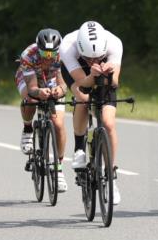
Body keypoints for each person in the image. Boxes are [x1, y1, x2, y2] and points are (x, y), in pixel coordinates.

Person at [60, 21, 124, 205]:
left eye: (98, 58)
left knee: (108, 122)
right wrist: (91, 74)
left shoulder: (114, 44)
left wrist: (109, 74)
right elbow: (83, 83)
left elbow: (115, 82)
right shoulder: (68, 46)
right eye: (89, 59)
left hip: (104, 74)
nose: (94, 62)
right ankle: (79, 148)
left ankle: (111, 177)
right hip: (79, 74)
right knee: (83, 98)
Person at [16, 28, 68, 191]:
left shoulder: (62, 55)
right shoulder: (28, 55)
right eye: (44, 53)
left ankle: (58, 169)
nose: (48, 58)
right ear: (38, 49)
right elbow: (32, 87)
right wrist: (39, 92)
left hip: (51, 79)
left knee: (58, 125)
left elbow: (63, 84)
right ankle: (27, 128)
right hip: (29, 78)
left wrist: (59, 91)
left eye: (51, 54)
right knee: (30, 99)